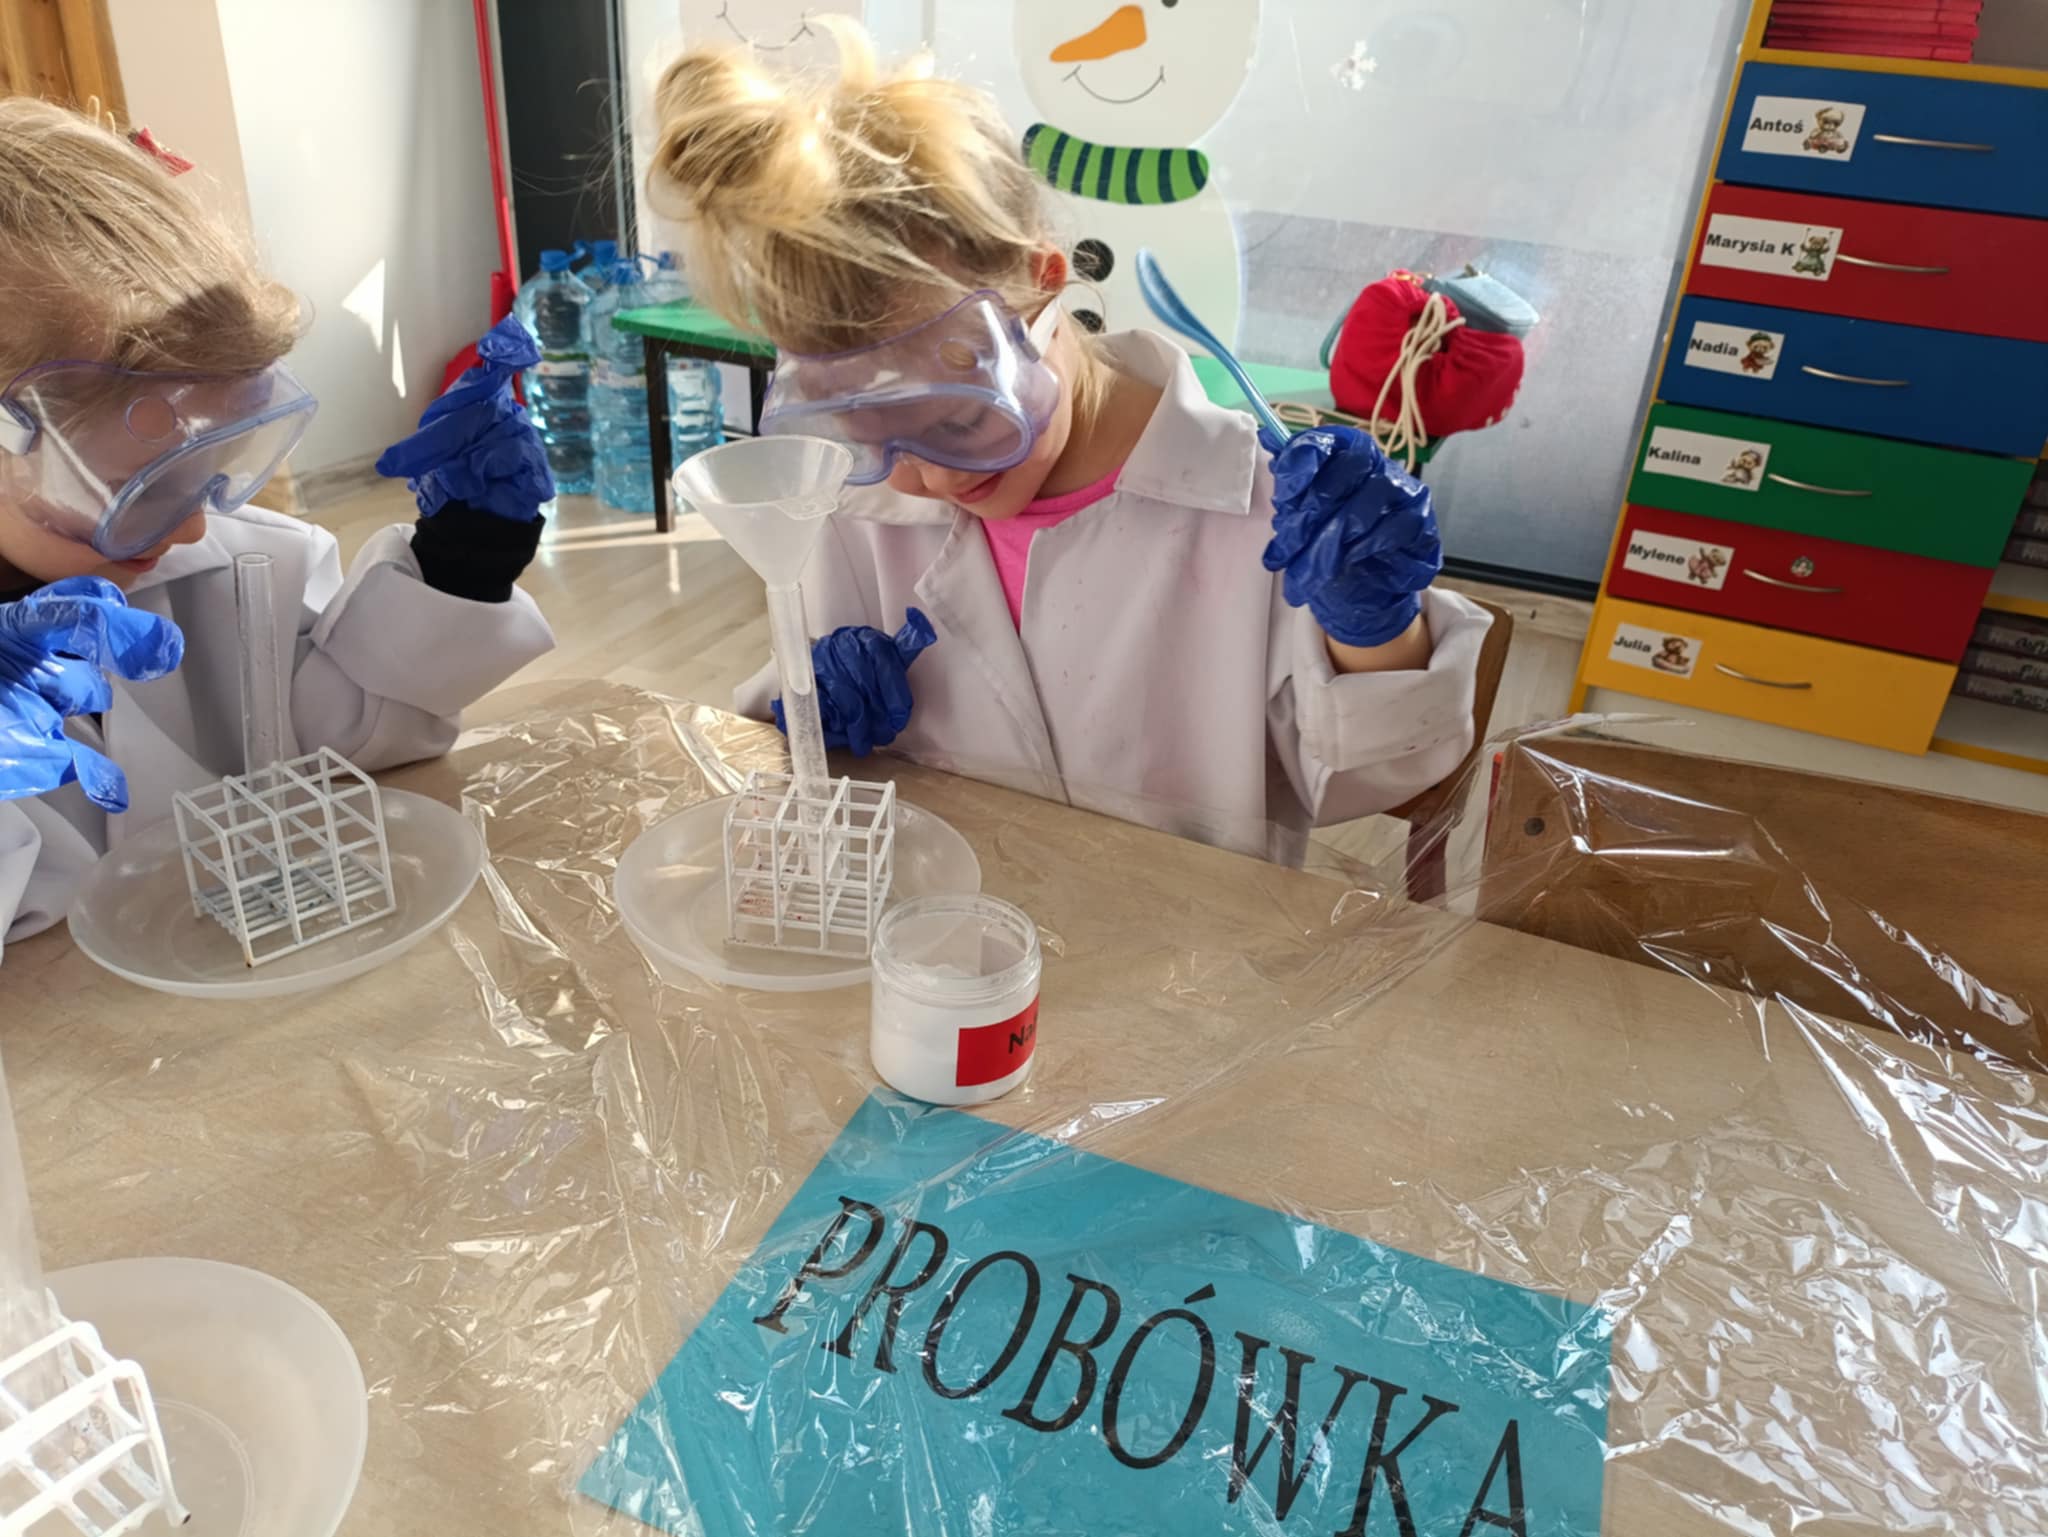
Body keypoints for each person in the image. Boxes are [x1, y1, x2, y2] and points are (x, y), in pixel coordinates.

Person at [650, 23, 1490, 860]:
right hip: (937, 928)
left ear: (1043, 283)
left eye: (960, 421)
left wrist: (1374, 629)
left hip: (1183, 937)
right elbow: (795, 772)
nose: (933, 476)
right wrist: (807, 712)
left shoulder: (1263, 509)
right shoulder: (854, 509)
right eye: (881, 444)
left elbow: (1385, 778)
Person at [0, 99, 555, 961]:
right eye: (140, 487)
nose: (193, 524)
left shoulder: (238, 564)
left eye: (209, 466)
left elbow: (348, 741)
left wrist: (463, 561)